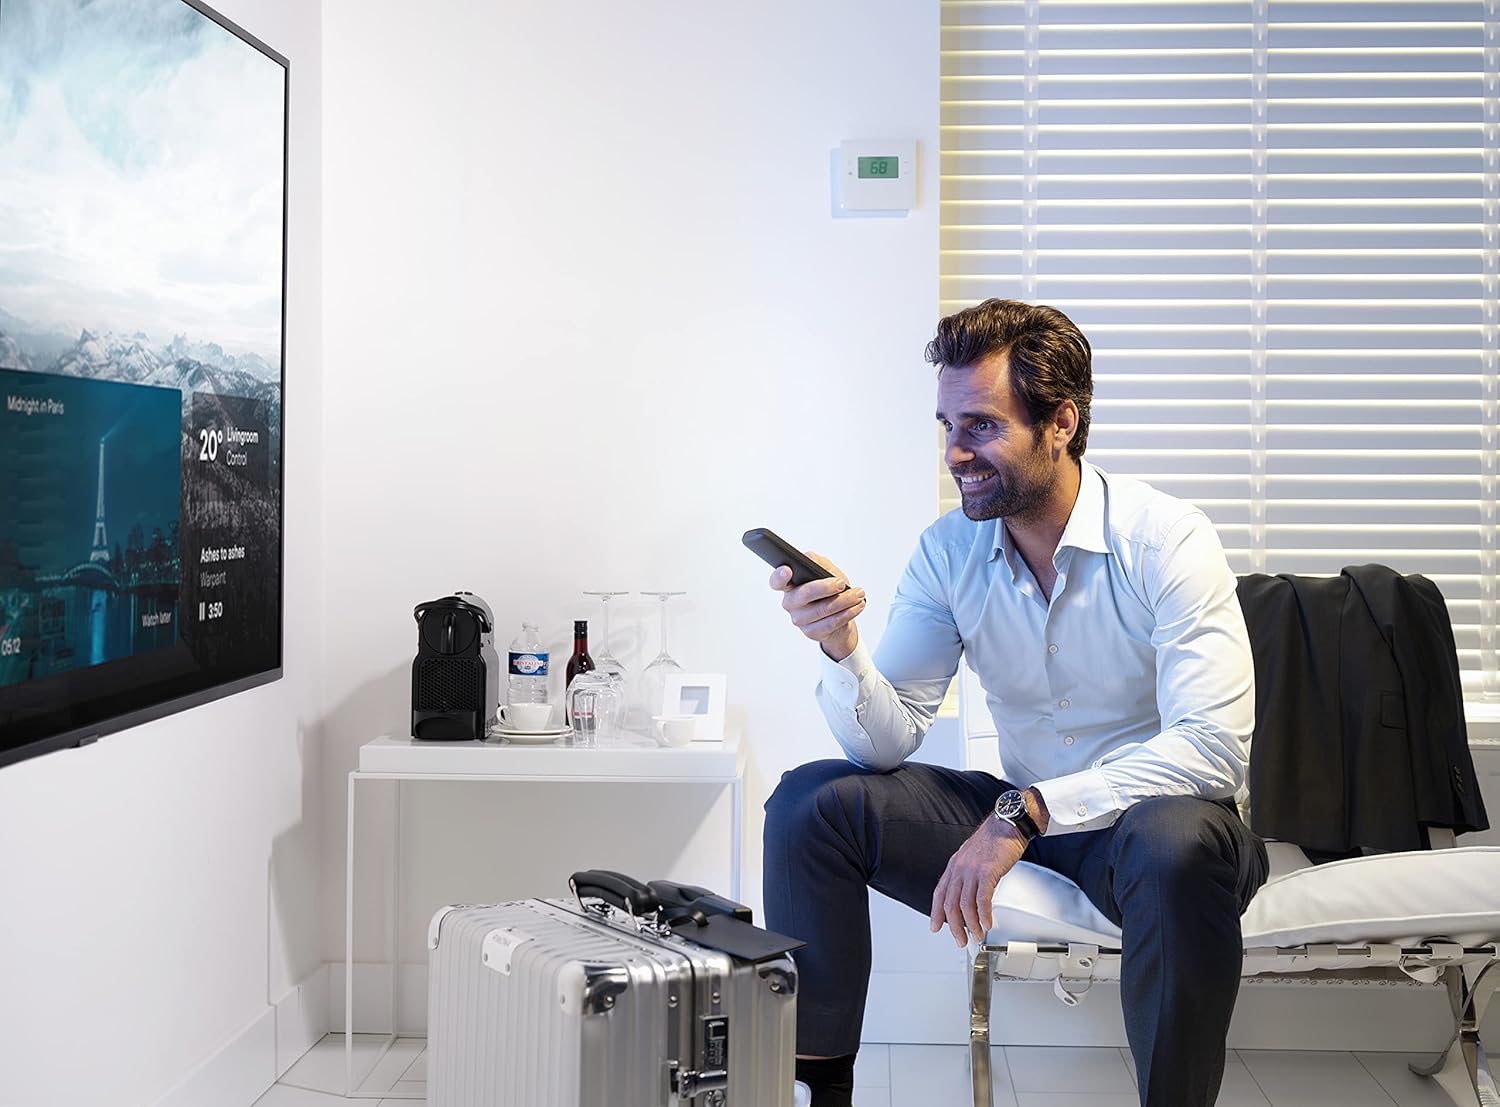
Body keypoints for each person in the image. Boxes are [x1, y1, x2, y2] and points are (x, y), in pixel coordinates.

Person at [762, 299, 1270, 1107]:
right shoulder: (949, 550)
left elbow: (1210, 749)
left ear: (1061, 423)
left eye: (982, 426)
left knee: (1173, 839)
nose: (955, 452)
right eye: (947, 426)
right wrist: (840, 645)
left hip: (1153, 828)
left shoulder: (1167, 539)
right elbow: (886, 744)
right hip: (1028, 820)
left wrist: (1026, 811)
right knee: (810, 802)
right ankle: (818, 1096)